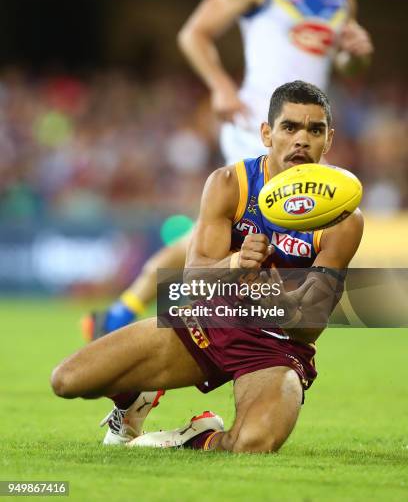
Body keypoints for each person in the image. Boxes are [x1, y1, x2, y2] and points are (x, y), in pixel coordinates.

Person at [82, 0, 372, 339]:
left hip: (304, 135)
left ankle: (135, 309)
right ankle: (176, 319)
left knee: (229, 232)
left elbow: (344, 65)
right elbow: (194, 33)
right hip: (254, 125)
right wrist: (219, 85)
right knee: (234, 228)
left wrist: (357, 55)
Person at [53, 80, 364, 453]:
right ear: (267, 133)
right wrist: (235, 263)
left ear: (328, 140)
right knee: (68, 381)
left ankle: (192, 438)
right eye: (289, 127)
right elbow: (191, 283)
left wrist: (273, 292)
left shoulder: (343, 217)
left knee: (253, 443)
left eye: (314, 130)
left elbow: (310, 328)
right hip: (210, 322)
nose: (301, 139)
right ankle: (132, 400)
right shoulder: (231, 184)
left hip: (275, 348)